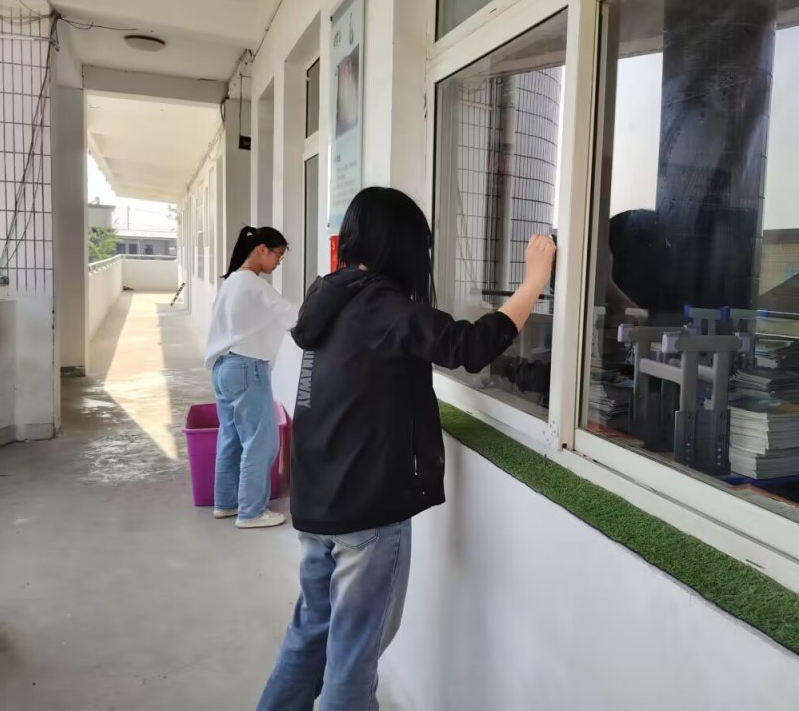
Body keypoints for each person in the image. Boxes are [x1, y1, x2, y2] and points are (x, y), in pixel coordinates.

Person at [257, 187, 556, 711]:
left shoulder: (328, 296)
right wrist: (533, 281)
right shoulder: (382, 305)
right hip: (367, 510)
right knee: (353, 661)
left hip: (316, 501)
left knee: (310, 634)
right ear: (402, 245)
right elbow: (469, 347)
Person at [204, 226, 298, 529]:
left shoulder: (232, 281)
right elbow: (294, 315)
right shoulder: (252, 284)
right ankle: (251, 512)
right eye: (278, 255)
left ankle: (226, 503)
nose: (278, 262)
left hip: (223, 368)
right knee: (262, 442)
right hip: (246, 368)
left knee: (230, 438)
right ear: (261, 249)